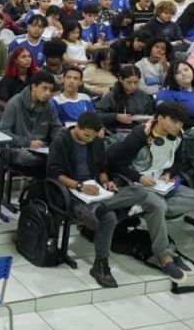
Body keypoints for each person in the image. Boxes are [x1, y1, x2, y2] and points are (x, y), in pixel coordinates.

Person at [47, 112, 154, 288]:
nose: (89, 140)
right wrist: (80, 186)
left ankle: (101, 206)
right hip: (72, 191)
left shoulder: (96, 140)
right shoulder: (62, 140)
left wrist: (105, 181)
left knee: (141, 192)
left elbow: (101, 167)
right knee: (110, 217)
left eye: (93, 136)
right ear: (77, 128)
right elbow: (54, 173)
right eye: (86, 135)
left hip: (96, 189)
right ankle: (101, 264)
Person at [108, 102, 194, 282]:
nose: (179, 126)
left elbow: (176, 162)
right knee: (157, 206)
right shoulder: (139, 136)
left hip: (160, 184)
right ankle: (164, 256)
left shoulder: (178, 136)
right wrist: (138, 177)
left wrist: (170, 173)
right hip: (137, 185)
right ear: (160, 118)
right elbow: (117, 165)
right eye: (174, 122)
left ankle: (147, 210)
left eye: (181, 123)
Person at [0, 71, 62, 167]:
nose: (48, 93)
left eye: (50, 89)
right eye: (44, 88)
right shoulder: (15, 103)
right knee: (28, 158)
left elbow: (56, 128)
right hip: (17, 148)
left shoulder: (49, 106)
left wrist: (62, 143)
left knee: (63, 156)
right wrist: (28, 143)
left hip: (41, 149)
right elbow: (3, 132)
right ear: (34, 87)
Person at [95, 65, 154, 131]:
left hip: (140, 130)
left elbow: (150, 114)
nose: (133, 86)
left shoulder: (143, 96)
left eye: (136, 82)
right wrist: (116, 116)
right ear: (121, 79)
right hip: (117, 131)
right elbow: (97, 116)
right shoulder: (112, 96)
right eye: (129, 82)